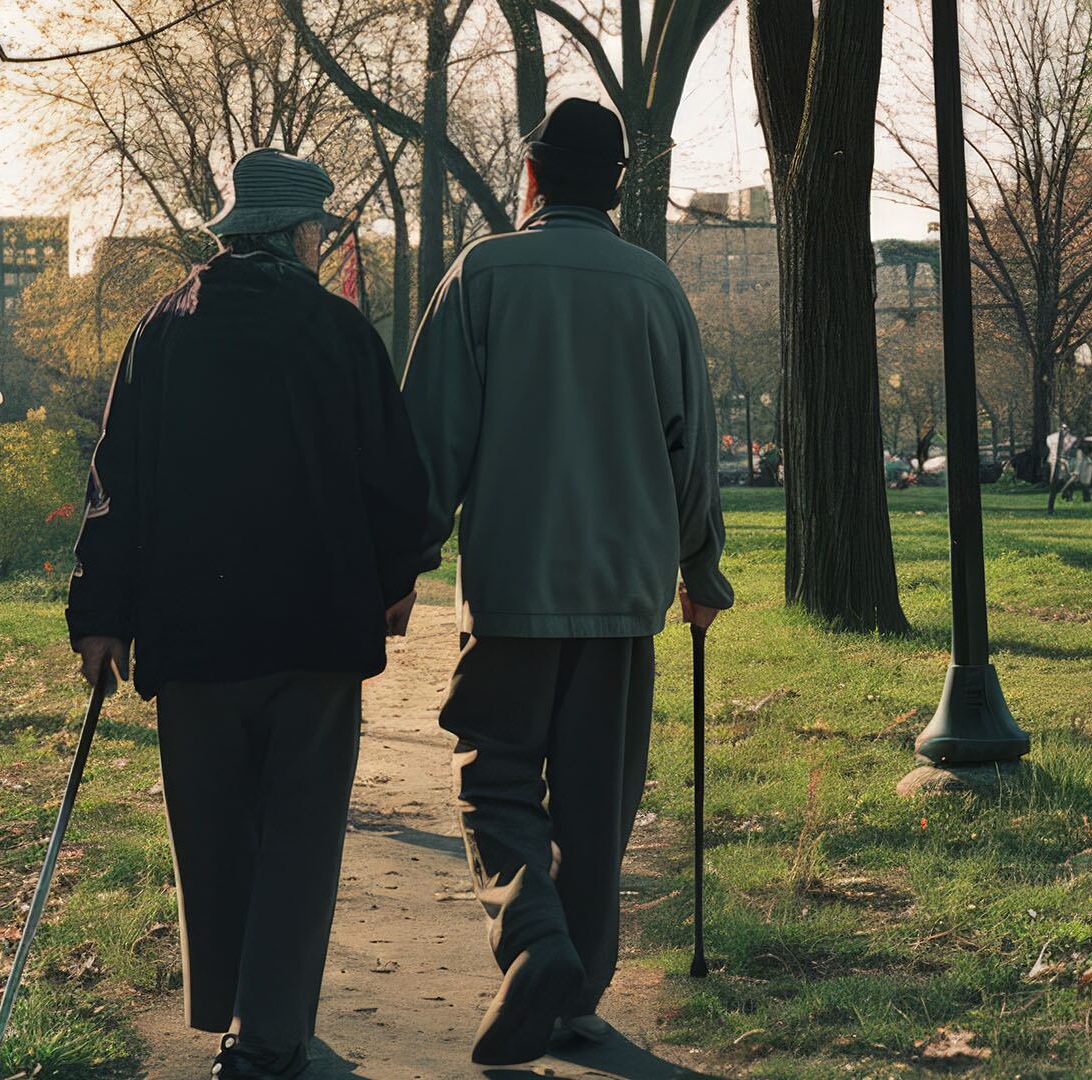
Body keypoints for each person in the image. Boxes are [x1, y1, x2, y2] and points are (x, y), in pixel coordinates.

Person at [66, 148, 428, 1080]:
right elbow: (392, 472)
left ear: (236, 235)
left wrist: (98, 614)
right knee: (301, 835)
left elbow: (115, 482)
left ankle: (236, 1005)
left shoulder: (164, 330)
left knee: (215, 829)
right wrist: (398, 575)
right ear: (300, 234)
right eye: (319, 230)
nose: (321, 242)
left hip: (194, 631)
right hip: (313, 629)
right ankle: (266, 1034)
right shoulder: (337, 330)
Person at [399, 97, 733, 1067]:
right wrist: (698, 568)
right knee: (597, 803)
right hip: (625, 595)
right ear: (617, 188)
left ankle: (533, 941)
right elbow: (693, 452)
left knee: (493, 774)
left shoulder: (482, 275)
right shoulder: (656, 288)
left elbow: (434, 440)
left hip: (514, 585)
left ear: (533, 177)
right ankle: (574, 994)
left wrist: (404, 563)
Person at [1059, 435, 1092, 503]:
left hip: (1079, 464)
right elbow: (1079, 459)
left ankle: (1068, 495)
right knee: (1074, 482)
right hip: (1076, 464)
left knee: (1079, 482)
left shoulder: (1085, 448)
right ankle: (1068, 495)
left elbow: (1087, 457)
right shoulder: (1079, 449)